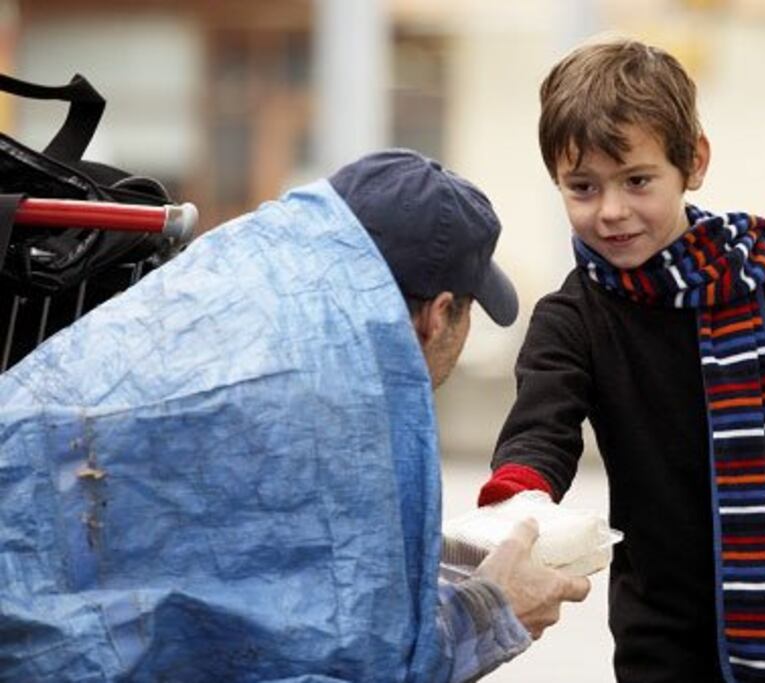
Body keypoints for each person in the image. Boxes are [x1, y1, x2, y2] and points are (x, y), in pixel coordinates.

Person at [0, 149, 588, 683]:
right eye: (469, 315)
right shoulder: (340, 415)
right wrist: (493, 609)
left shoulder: (230, 293)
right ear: (437, 316)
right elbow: (364, 665)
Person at [476, 38, 765, 683]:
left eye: (638, 180)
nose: (612, 210)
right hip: (662, 652)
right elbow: (542, 429)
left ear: (693, 162)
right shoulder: (573, 319)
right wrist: (519, 502)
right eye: (583, 187)